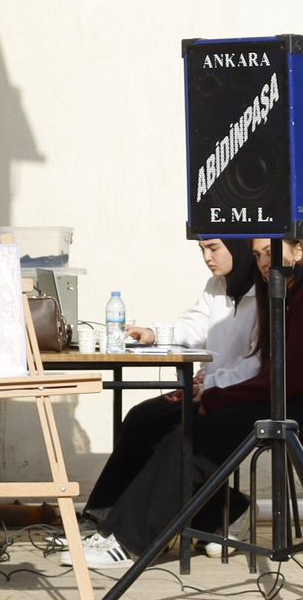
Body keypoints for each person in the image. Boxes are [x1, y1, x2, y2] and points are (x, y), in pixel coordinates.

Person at [96, 238, 302, 561]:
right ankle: (108, 519)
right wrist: (158, 337)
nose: (264, 262)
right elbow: (198, 327)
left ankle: (126, 539)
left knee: (187, 439)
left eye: (270, 253)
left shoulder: (273, 292)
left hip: (273, 400)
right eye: (258, 255)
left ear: (298, 250)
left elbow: (274, 372)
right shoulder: (266, 287)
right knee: (145, 419)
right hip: (245, 391)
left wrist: (216, 392)